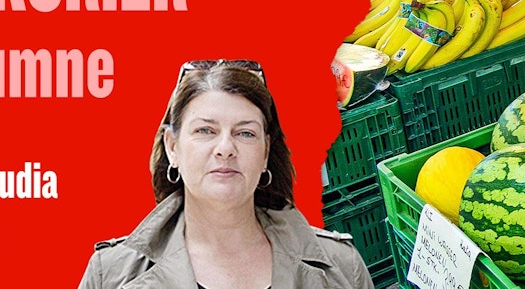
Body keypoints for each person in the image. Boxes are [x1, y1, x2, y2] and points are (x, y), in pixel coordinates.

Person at [81, 60, 372, 288]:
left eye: (245, 133)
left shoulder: (342, 267)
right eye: (205, 130)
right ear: (172, 147)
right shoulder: (110, 275)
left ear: (265, 153)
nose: (225, 148)